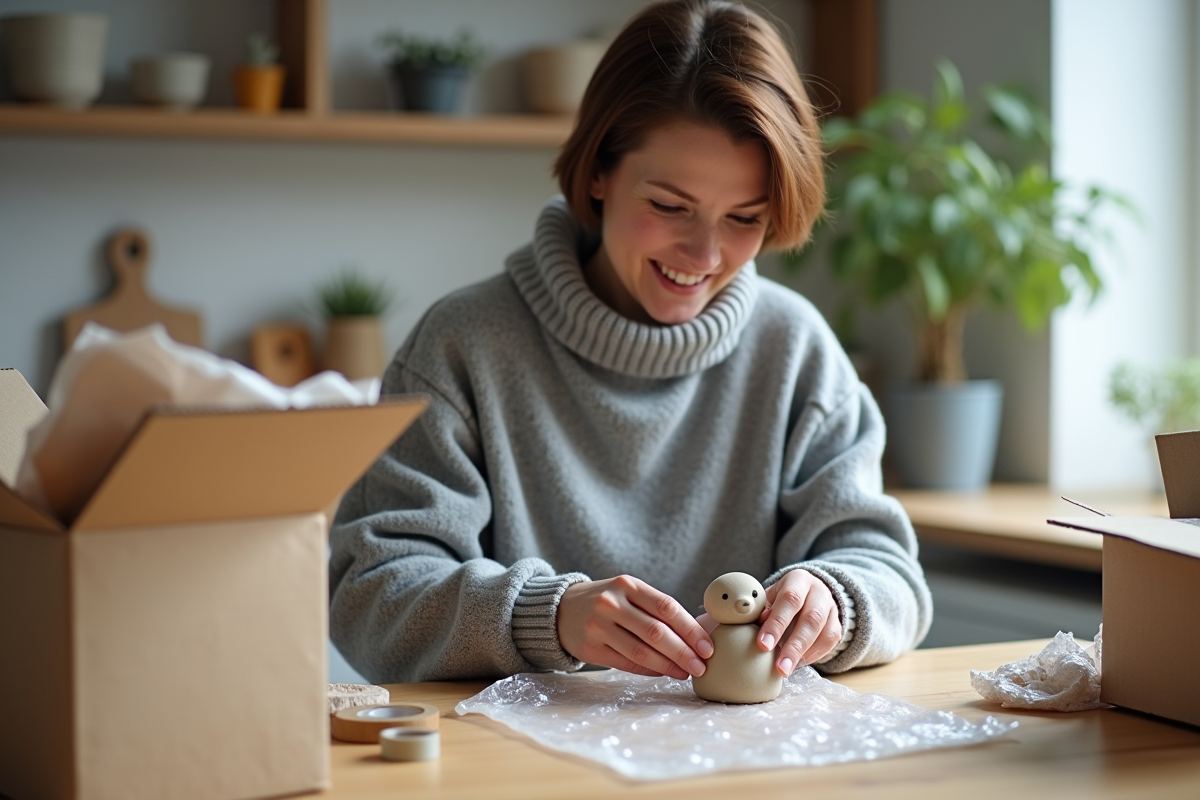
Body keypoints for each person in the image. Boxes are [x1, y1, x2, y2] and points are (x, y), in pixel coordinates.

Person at [329, 0, 932, 685]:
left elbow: (890, 574)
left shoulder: (796, 350)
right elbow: (370, 598)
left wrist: (835, 600)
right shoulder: (460, 346)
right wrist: (545, 616)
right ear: (598, 172)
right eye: (669, 206)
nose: (705, 254)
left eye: (745, 217)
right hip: (515, 751)